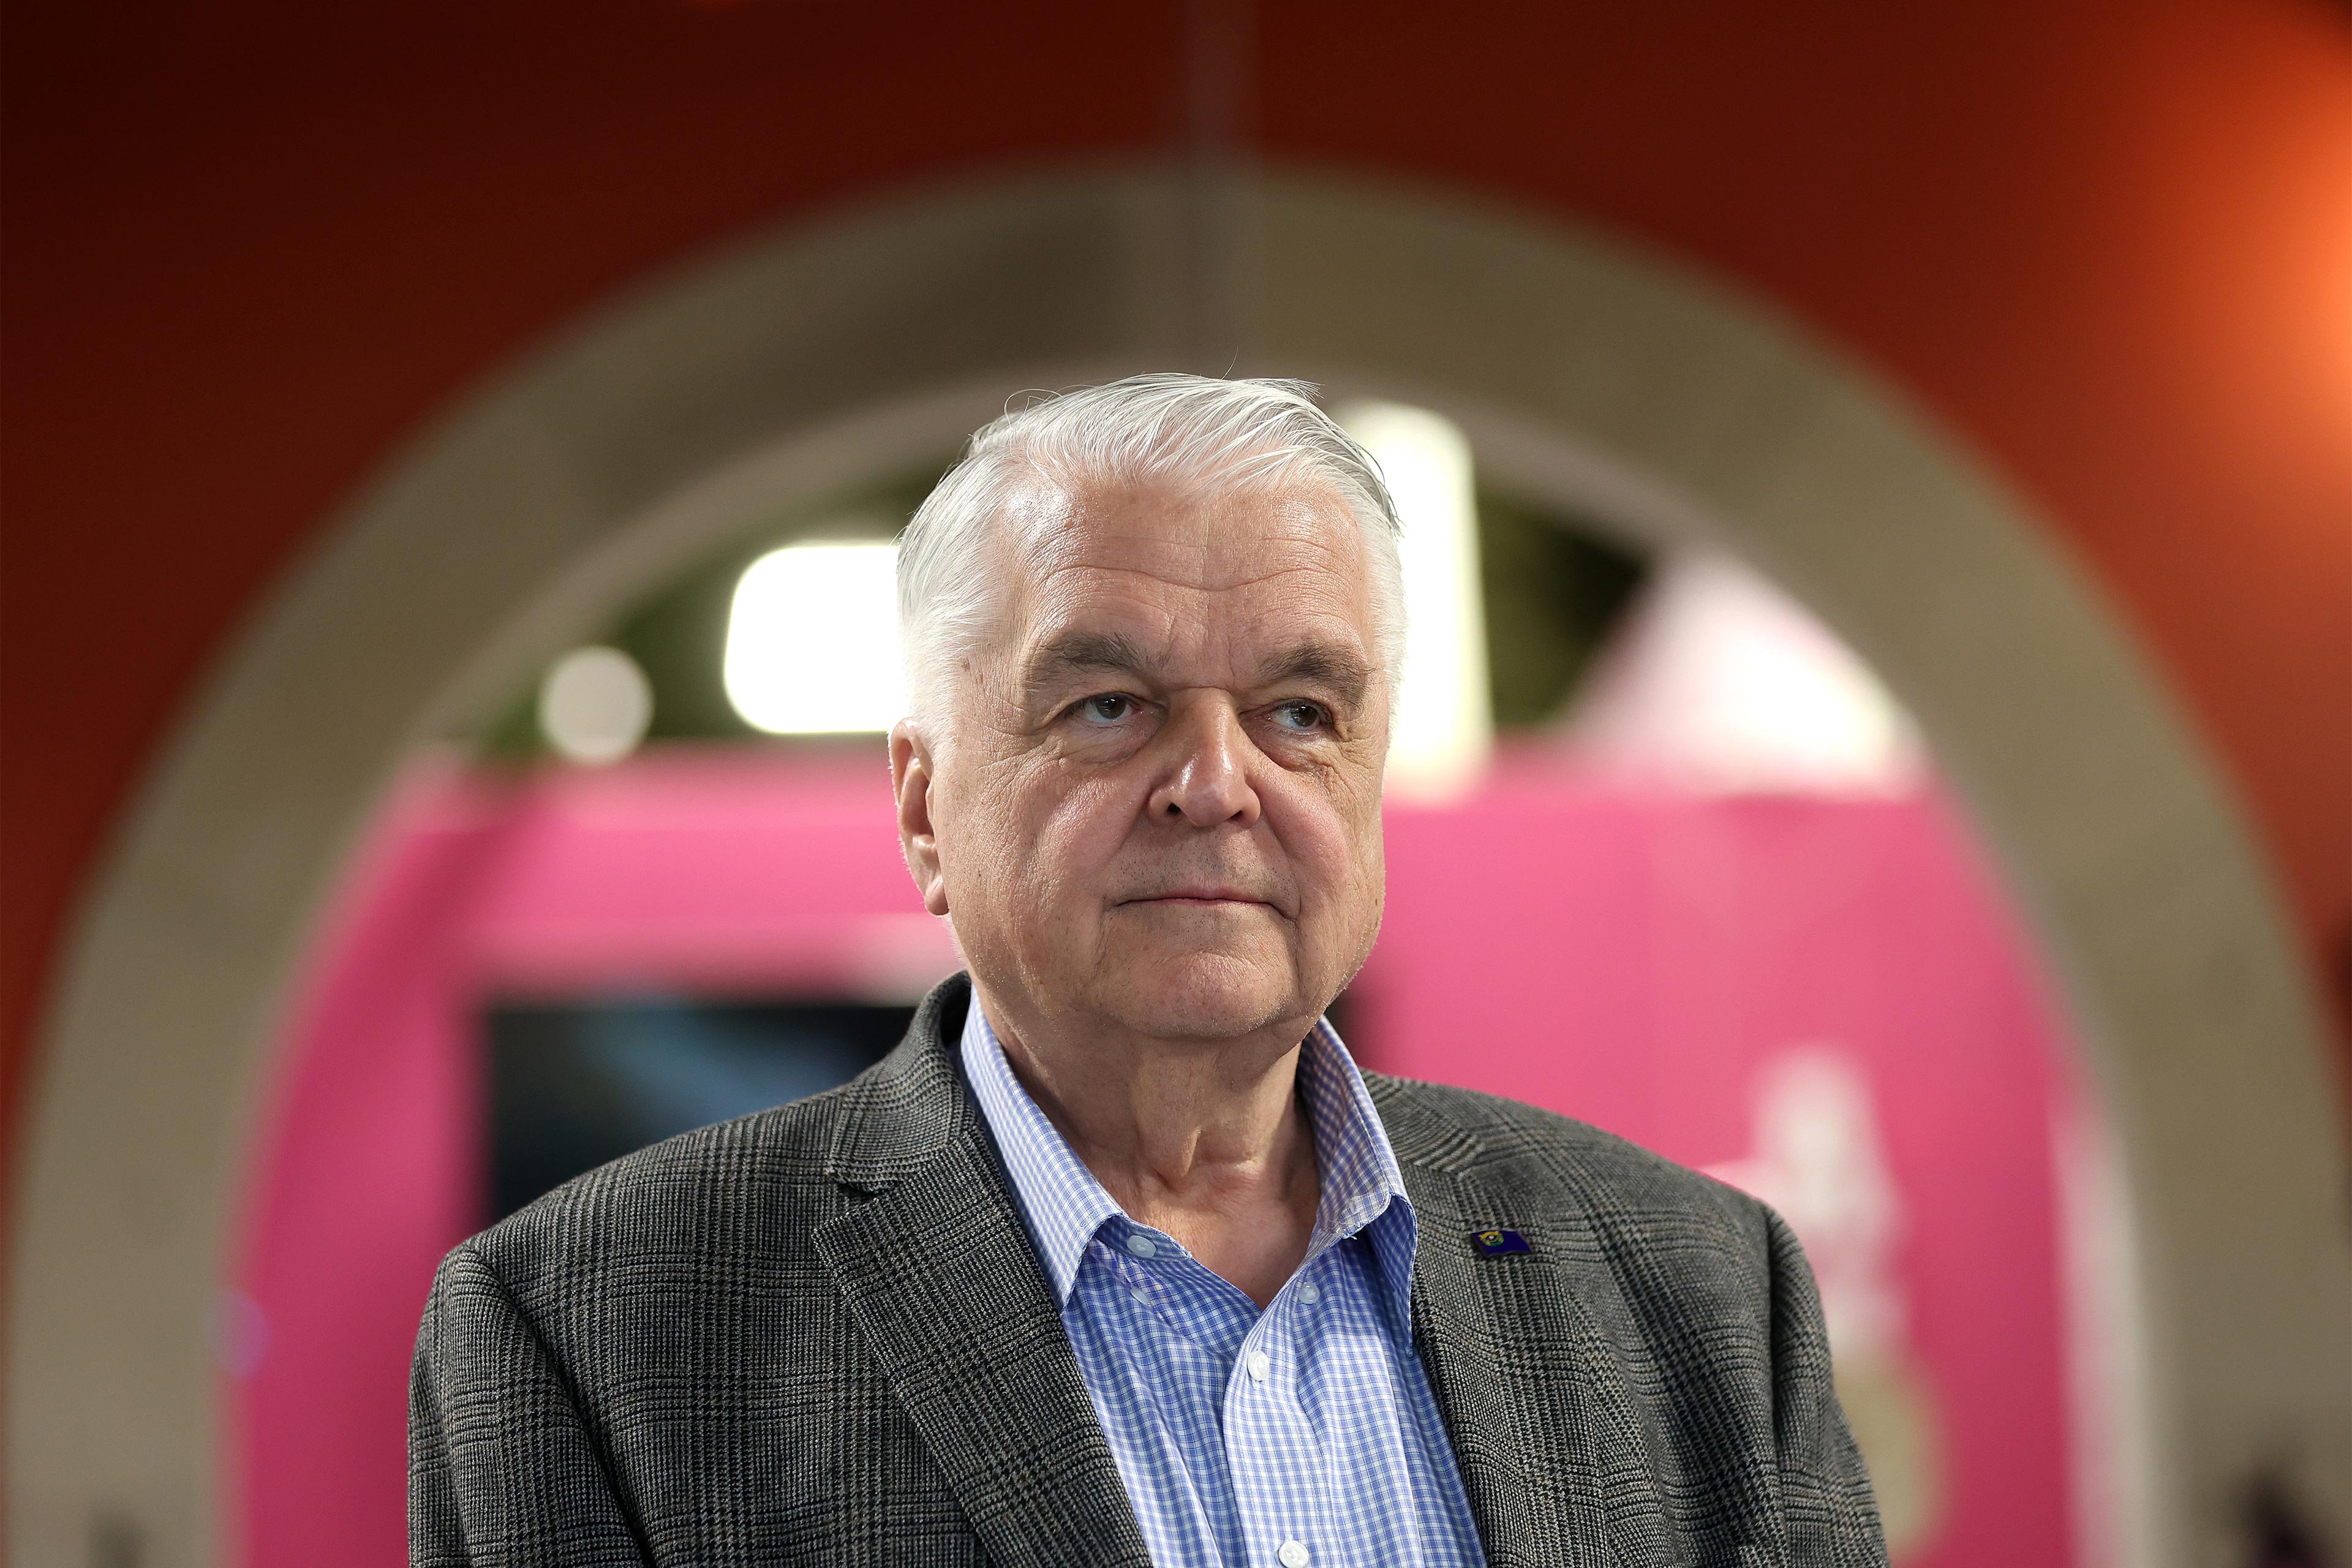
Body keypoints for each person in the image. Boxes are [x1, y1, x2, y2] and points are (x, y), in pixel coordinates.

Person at [410, 375, 1887, 1568]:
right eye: (1109, 704)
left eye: (1301, 710)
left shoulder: (1698, 1289)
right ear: (925, 808)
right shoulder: (591, 1335)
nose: (1216, 781)